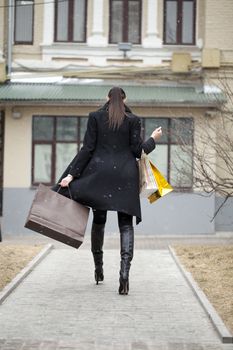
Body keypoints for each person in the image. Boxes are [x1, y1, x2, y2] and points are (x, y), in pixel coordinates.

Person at [59, 87, 162, 295]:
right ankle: (124, 275)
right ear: (125, 99)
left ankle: (98, 267)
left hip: (99, 176)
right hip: (126, 176)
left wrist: (71, 175)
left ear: (107, 98)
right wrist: (153, 139)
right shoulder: (133, 120)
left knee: (99, 220)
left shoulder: (95, 117)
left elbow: (87, 149)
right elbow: (137, 151)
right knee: (126, 223)